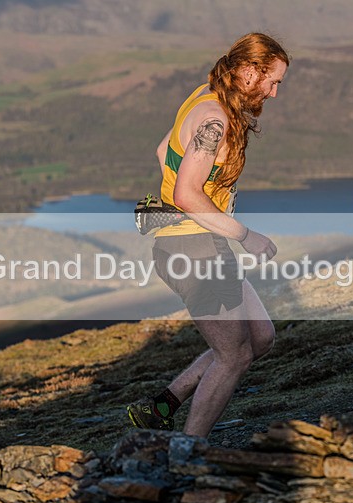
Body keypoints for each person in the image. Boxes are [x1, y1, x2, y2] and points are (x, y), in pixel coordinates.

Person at [127, 32, 289, 438]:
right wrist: (243, 234)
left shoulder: (206, 95)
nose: (273, 93)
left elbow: (163, 149)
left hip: (201, 240)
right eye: (273, 81)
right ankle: (189, 451)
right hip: (192, 248)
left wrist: (213, 211)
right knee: (233, 356)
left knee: (260, 337)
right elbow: (186, 194)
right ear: (250, 72)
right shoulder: (215, 119)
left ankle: (161, 406)